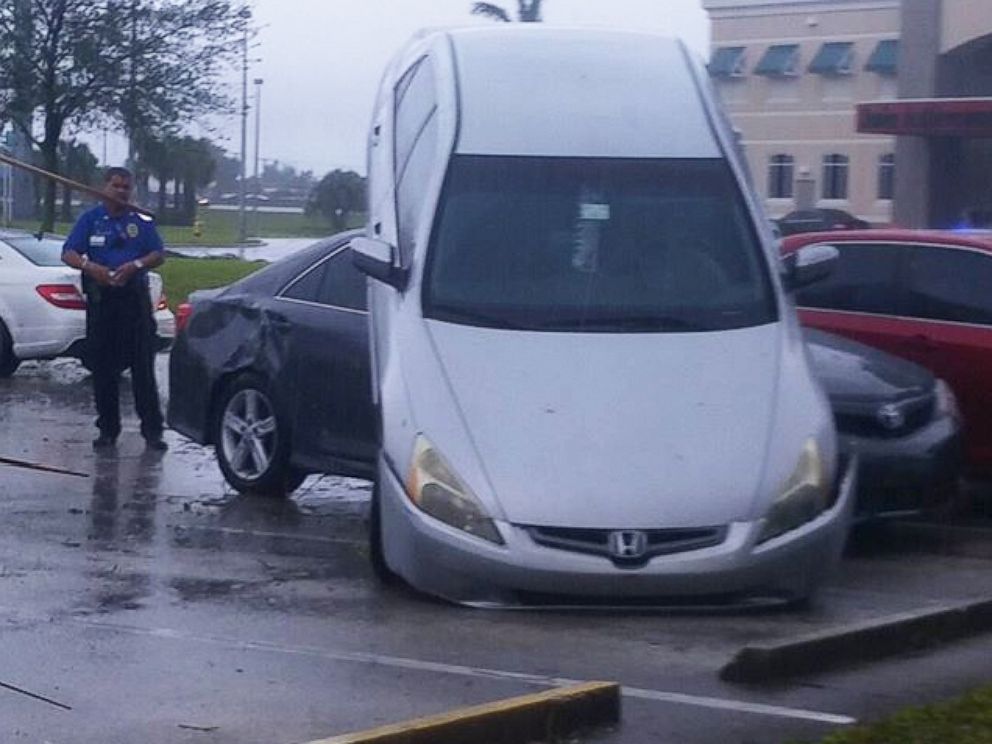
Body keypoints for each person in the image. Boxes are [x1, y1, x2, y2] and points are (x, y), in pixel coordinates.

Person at [62, 167, 167, 451]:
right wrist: (89, 266)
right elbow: (69, 252)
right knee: (104, 369)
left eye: (126, 187)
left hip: (134, 302)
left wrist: (135, 265)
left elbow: (158, 254)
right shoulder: (91, 220)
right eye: (116, 186)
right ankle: (108, 430)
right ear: (104, 187)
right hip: (102, 302)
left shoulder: (140, 221)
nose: (121, 192)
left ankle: (153, 431)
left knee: (143, 369)